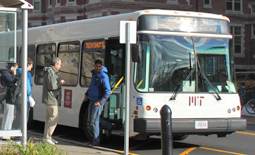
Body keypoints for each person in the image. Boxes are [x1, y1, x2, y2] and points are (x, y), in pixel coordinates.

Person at [83, 59, 115, 146]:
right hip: (92, 100)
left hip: (98, 101)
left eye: (99, 67)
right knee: (91, 120)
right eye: (96, 66)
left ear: (102, 66)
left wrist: (101, 102)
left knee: (94, 121)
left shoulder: (103, 76)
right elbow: (91, 87)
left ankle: (96, 141)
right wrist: (86, 94)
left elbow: (108, 91)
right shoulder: (94, 74)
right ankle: (109, 126)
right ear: (94, 66)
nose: (98, 68)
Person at [42, 57, 65, 145]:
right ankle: (47, 137)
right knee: (54, 118)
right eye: (59, 65)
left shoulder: (50, 72)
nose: (60, 67)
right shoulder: (51, 72)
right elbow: (52, 86)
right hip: (52, 99)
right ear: (56, 64)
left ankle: (47, 137)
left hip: (49, 98)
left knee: (49, 119)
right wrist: (60, 83)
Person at [13, 58, 34, 136]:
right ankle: (20, 137)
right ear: (28, 65)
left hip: (18, 98)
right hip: (25, 99)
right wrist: (30, 96)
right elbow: (27, 87)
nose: (31, 67)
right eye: (31, 65)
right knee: (24, 118)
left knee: (18, 117)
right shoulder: (27, 74)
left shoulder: (18, 72)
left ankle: (16, 134)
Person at [1, 63, 19, 140]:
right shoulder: (6, 74)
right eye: (16, 68)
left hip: (8, 97)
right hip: (8, 97)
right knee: (9, 116)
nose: (16, 70)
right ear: (12, 68)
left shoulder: (5, 73)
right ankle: (6, 133)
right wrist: (15, 75)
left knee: (8, 115)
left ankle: (4, 132)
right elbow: (12, 82)